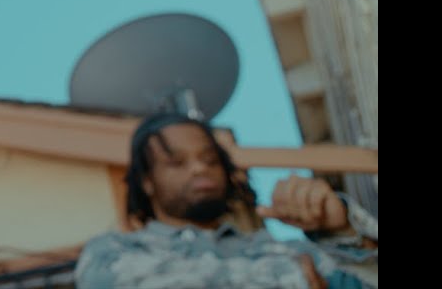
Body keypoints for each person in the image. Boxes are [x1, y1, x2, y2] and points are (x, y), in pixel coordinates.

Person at [74, 112, 378, 289]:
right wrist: (293, 278)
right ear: (147, 182)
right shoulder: (111, 252)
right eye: (176, 162)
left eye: (210, 159)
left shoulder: (285, 249)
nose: (199, 168)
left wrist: (342, 232)